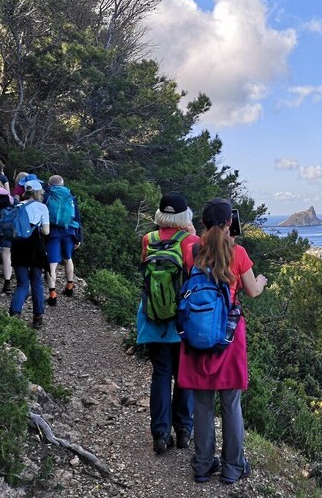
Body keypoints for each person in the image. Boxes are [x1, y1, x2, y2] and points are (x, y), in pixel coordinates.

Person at [177, 198, 267, 484]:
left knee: (202, 403)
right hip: (228, 335)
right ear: (230, 223)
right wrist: (262, 280)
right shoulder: (238, 253)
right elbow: (252, 291)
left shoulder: (191, 250)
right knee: (230, 403)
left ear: (203, 224)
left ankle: (203, 465)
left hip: (196, 335)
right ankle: (232, 467)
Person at [136, 192, 198, 454]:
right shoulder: (189, 241)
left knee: (161, 374)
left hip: (152, 317)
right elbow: (197, 275)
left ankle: (160, 434)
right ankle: (183, 430)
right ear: (185, 216)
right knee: (184, 375)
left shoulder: (147, 239)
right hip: (182, 321)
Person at [9, 179, 50, 329]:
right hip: (35, 247)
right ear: (38, 192)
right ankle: (38, 317)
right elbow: (46, 231)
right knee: (37, 282)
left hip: (18, 246)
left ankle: (15, 314)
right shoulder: (42, 208)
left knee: (22, 283)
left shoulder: (18, 206)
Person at [44, 175, 82, 305]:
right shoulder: (69, 195)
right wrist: (78, 237)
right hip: (69, 231)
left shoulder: (47, 194)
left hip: (52, 232)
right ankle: (69, 286)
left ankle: (52, 294)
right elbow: (76, 216)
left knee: (52, 264)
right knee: (68, 258)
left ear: (49, 184)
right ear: (62, 184)